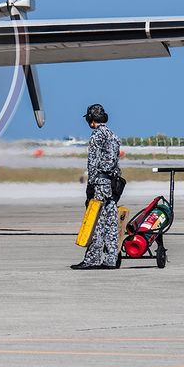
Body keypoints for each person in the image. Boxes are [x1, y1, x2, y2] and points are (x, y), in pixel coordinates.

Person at [72, 103, 122, 270]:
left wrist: (90, 185)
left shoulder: (97, 136)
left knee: (97, 221)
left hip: (100, 183)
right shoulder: (114, 136)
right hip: (111, 183)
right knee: (111, 223)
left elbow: (92, 163)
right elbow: (116, 163)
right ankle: (111, 259)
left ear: (92, 120)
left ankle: (92, 259)